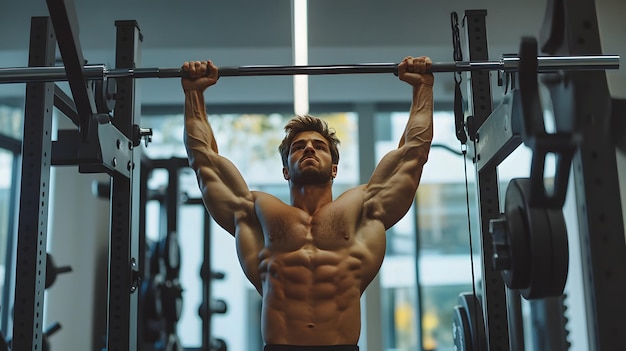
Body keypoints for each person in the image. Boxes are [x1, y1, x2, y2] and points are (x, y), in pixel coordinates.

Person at [181, 56, 434, 351]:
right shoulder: (257, 212)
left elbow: (412, 155)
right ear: (286, 169)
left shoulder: (363, 209)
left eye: (320, 146)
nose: (310, 148)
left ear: (335, 168)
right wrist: (194, 92)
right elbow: (205, 162)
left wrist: (423, 86)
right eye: (299, 147)